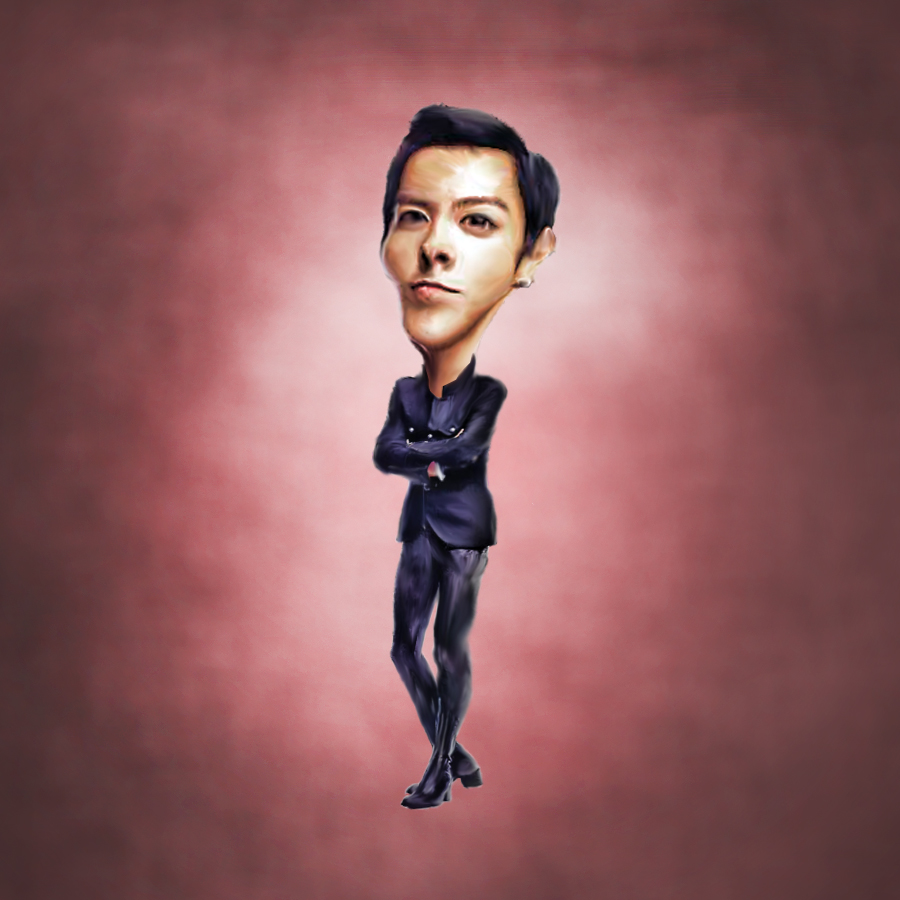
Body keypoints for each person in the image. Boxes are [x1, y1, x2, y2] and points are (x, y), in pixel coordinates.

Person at [373, 105, 559, 809]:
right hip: (419, 528)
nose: (434, 249)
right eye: (412, 216)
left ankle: (438, 773)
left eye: (477, 220)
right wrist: (430, 457)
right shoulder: (403, 390)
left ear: (532, 256)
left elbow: (466, 448)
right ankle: (454, 752)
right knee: (402, 648)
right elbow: (387, 451)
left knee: (449, 650)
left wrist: (422, 453)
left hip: (464, 533)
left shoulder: (488, 390)